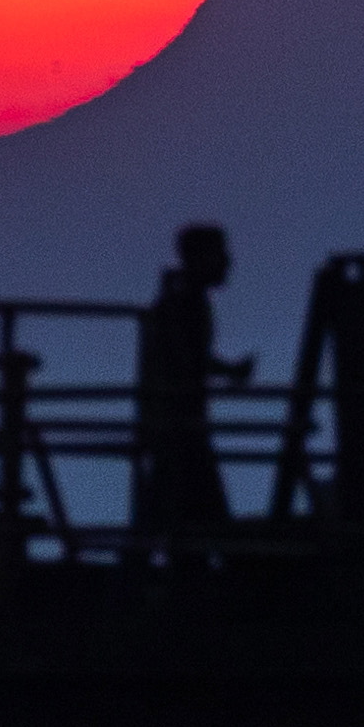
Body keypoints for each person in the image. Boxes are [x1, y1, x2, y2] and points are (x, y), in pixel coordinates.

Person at [133, 223, 254, 532]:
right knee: (193, 513)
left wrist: (226, 371)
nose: (227, 262)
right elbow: (184, 361)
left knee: (178, 517)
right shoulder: (182, 302)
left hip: (176, 426)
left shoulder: (181, 299)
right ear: (200, 257)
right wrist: (225, 372)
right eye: (219, 254)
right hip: (179, 428)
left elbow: (187, 357)